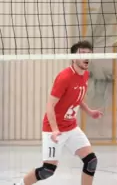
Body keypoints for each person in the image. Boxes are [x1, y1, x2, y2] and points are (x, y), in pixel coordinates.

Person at [15, 41, 102, 185]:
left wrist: (89, 111)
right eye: (82, 54)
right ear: (73, 57)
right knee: (47, 170)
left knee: (91, 161)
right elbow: (50, 106)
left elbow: (76, 98)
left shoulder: (85, 75)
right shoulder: (64, 77)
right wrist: (55, 130)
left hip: (71, 128)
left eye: (89, 54)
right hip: (53, 130)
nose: (86, 57)